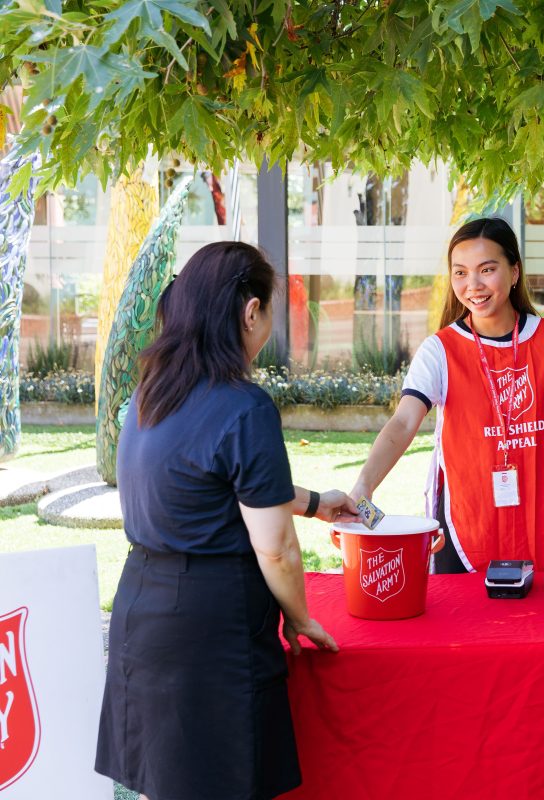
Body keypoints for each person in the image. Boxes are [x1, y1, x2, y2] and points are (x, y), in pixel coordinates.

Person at [95, 242, 356, 800]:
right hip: (209, 633)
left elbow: (209, 482)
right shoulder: (244, 405)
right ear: (250, 312)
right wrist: (301, 617)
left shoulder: (153, 391)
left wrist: (313, 501)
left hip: (143, 608)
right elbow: (277, 550)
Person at [350, 217, 544, 573]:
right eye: (460, 273)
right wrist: (364, 485)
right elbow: (403, 421)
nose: (473, 285)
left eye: (487, 270)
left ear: (514, 272)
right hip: (465, 524)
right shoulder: (440, 349)